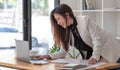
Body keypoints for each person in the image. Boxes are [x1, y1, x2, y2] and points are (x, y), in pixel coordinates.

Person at [33, 4, 120, 65]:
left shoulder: (85, 20)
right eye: (56, 20)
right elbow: (63, 51)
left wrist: (94, 57)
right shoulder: (67, 30)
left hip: (110, 51)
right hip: (97, 58)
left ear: (67, 15)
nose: (58, 23)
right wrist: (48, 55)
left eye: (58, 19)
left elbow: (97, 40)